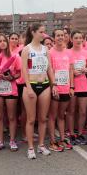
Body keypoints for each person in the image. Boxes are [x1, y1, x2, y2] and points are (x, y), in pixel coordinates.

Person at [20, 23, 54, 159]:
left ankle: (40, 145)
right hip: (31, 85)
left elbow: (49, 68)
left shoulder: (46, 49)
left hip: (45, 84)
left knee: (43, 118)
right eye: (41, 32)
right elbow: (24, 70)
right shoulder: (26, 49)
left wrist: (54, 84)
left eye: (44, 32)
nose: (43, 34)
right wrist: (28, 88)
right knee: (31, 119)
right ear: (33, 32)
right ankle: (30, 147)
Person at [0, 34, 20, 151]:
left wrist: (12, 77)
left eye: (4, 41)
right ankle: (0, 141)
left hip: (11, 89)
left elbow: (19, 73)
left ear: (7, 43)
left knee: (12, 117)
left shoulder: (14, 56)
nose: (2, 43)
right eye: (0, 41)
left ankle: (12, 141)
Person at [47, 28, 74, 151]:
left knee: (61, 116)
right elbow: (50, 70)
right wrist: (54, 85)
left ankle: (62, 139)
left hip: (66, 88)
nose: (60, 37)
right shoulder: (50, 52)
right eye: (57, 35)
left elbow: (70, 70)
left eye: (62, 35)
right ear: (53, 38)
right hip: (55, 89)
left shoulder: (68, 52)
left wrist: (72, 87)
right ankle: (53, 141)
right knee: (52, 116)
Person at [67, 30, 87, 146]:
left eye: (80, 38)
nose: (78, 40)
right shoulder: (67, 52)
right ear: (71, 39)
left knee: (82, 111)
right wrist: (71, 72)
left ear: (83, 39)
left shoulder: (86, 52)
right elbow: (64, 68)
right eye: (75, 38)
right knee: (71, 111)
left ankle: (80, 134)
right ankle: (71, 134)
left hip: (83, 85)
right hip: (71, 85)